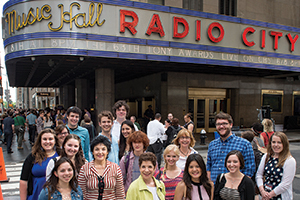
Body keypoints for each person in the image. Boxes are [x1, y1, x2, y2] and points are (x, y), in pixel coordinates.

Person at [207, 112, 255, 183]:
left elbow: (249, 169)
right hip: (215, 188)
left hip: (235, 188)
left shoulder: (244, 144)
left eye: (224, 123)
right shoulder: (212, 144)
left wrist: (239, 187)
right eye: (218, 124)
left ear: (231, 125)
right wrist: (210, 185)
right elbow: (209, 167)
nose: (221, 126)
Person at [19, 129, 59, 200]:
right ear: (40, 141)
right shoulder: (32, 157)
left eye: (50, 139)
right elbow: (23, 181)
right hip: (36, 195)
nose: (47, 142)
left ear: (55, 141)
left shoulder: (61, 155)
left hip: (56, 195)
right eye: (44, 139)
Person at [256, 132, 296, 200]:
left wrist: (270, 195)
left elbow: (285, 184)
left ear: (284, 144)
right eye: (273, 142)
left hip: (279, 197)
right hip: (265, 195)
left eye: (279, 142)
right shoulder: (266, 156)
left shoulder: (289, 161)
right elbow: (259, 175)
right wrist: (262, 191)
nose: (276, 145)